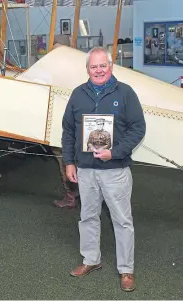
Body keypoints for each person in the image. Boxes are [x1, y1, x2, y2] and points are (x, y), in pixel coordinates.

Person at [61, 47, 146, 292]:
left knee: (122, 220)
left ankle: (126, 269)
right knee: (87, 217)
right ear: (87, 69)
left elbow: (138, 128)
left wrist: (115, 152)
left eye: (102, 66)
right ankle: (91, 260)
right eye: (93, 66)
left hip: (115, 169)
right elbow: (68, 130)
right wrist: (69, 161)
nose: (98, 70)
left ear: (111, 67)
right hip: (86, 170)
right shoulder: (78, 95)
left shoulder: (126, 93)